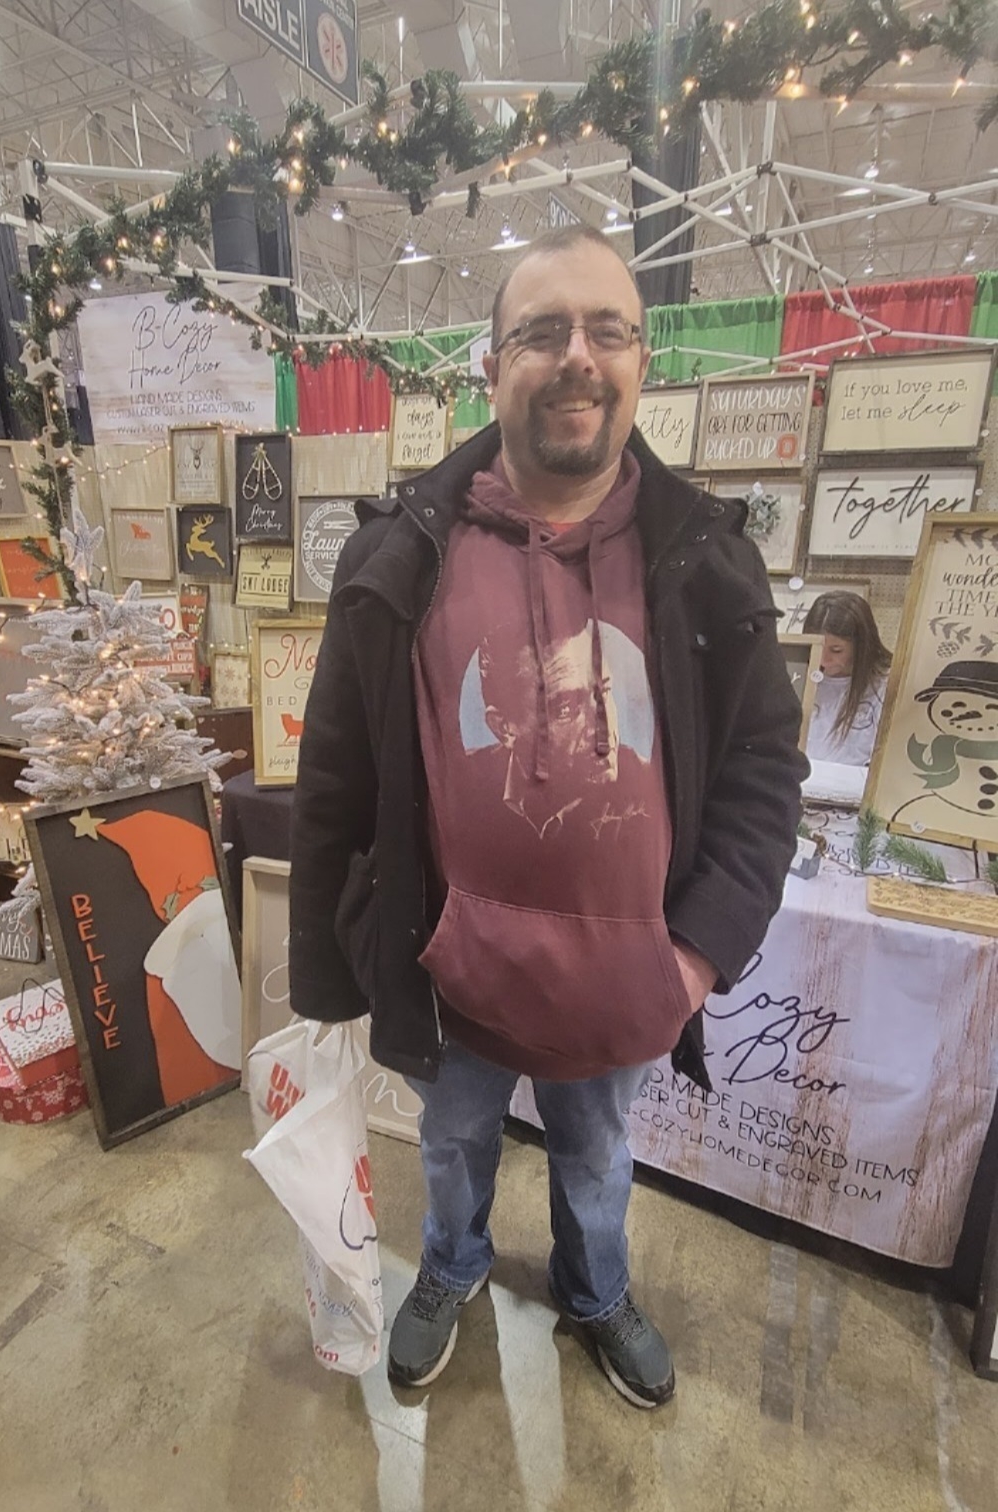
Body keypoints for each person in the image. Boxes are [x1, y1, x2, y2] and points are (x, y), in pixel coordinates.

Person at [290, 226, 807, 1409]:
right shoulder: (400, 554)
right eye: (541, 332)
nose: (577, 355)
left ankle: (596, 1286)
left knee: (597, 1158)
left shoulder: (705, 561)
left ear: (641, 362)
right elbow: (335, 778)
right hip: (450, 971)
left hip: (626, 985)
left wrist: (694, 956)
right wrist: (328, 977)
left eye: (607, 329)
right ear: (492, 367)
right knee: (450, 1148)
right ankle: (453, 1265)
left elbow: (763, 771)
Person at [802, 591, 892, 766]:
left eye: (836, 650)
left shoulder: (885, 684)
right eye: (818, 648)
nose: (824, 660)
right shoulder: (799, 674)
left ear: (861, 645)